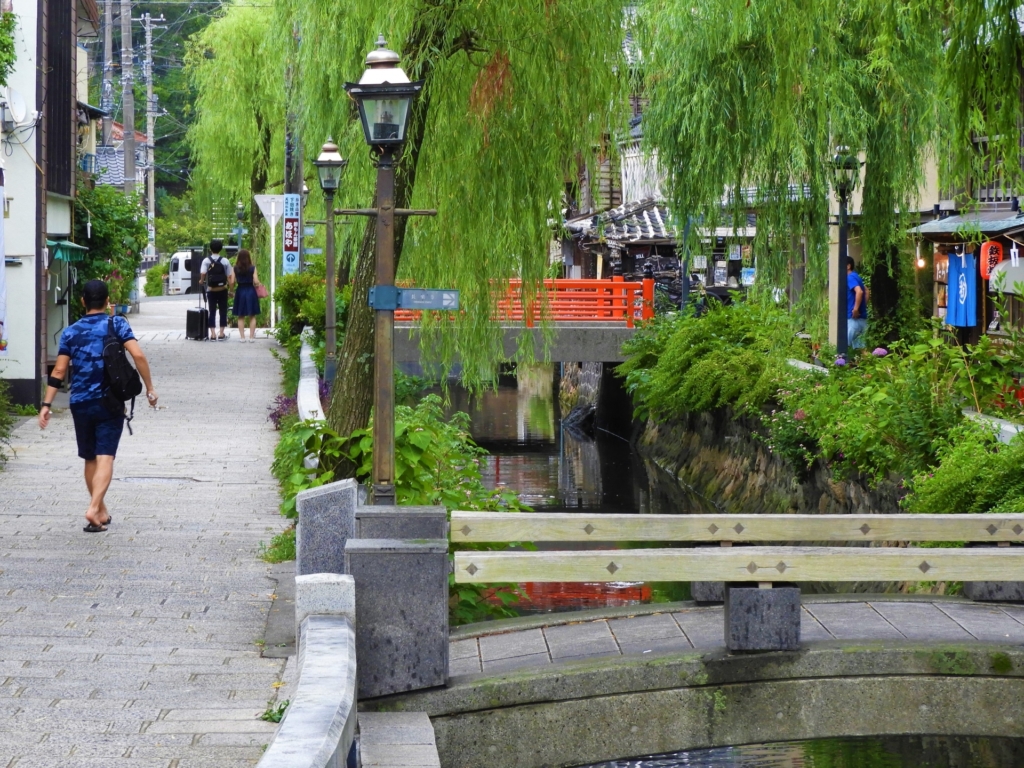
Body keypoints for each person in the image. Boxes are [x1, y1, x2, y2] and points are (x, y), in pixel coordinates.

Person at [38, 279, 158, 533]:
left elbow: (59, 370)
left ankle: (101, 509)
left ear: (82, 301)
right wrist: (149, 388)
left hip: (80, 403)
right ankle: (93, 509)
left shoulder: (70, 332)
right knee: (106, 455)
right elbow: (137, 355)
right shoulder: (117, 324)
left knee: (90, 456)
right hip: (109, 401)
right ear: (107, 302)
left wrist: (46, 403)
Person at [200, 239, 234, 340]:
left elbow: (203, 273)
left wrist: (201, 281)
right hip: (222, 290)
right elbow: (230, 277)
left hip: (211, 290)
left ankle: (213, 334)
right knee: (223, 311)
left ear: (210, 249)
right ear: (221, 249)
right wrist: (231, 290)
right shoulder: (225, 261)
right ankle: (221, 334)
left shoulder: (206, 261)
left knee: (212, 311)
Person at [232, 249, 262, 343]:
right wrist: (258, 284)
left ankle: (242, 337)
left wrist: (231, 290)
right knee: (252, 315)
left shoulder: (235, 268)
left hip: (240, 290)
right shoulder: (252, 268)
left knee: (240, 315)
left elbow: (232, 281)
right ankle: (251, 337)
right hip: (250, 291)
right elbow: (256, 281)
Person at [847, 256, 868, 350]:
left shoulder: (849, 277)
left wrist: (855, 309)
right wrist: (862, 307)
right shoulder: (856, 276)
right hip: (862, 320)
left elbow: (859, 291)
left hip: (853, 319)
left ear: (848, 266)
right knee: (861, 350)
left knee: (842, 348)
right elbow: (867, 291)